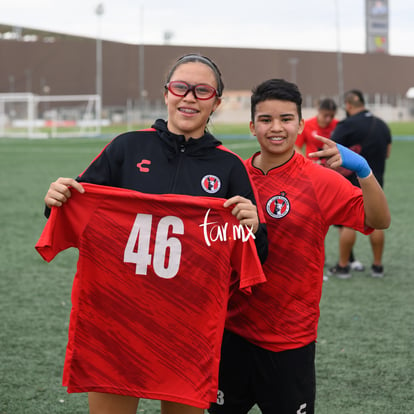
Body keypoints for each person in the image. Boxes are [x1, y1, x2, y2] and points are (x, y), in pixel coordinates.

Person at [38, 53, 268, 414]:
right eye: (181, 87)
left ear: (216, 103)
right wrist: (55, 201)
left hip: (187, 328)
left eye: (202, 91)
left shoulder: (228, 167)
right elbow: (76, 211)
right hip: (117, 323)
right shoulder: (127, 147)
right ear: (166, 94)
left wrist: (250, 229)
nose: (190, 97)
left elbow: (256, 254)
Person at [209, 79, 390, 414]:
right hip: (231, 332)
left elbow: (379, 220)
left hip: (290, 340)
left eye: (286, 119)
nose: (276, 128)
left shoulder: (320, 181)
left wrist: (363, 173)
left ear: (299, 124)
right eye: (265, 120)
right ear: (252, 126)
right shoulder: (233, 176)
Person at [328, 89, 392, 278]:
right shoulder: (381, 124)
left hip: (350, 182)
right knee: (377, 222)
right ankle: (377, 266)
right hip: (376, 179)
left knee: (349, 223)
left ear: (348, 105)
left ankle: (343, 266)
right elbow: (387, 153)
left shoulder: (346, 125)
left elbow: (330, 150)